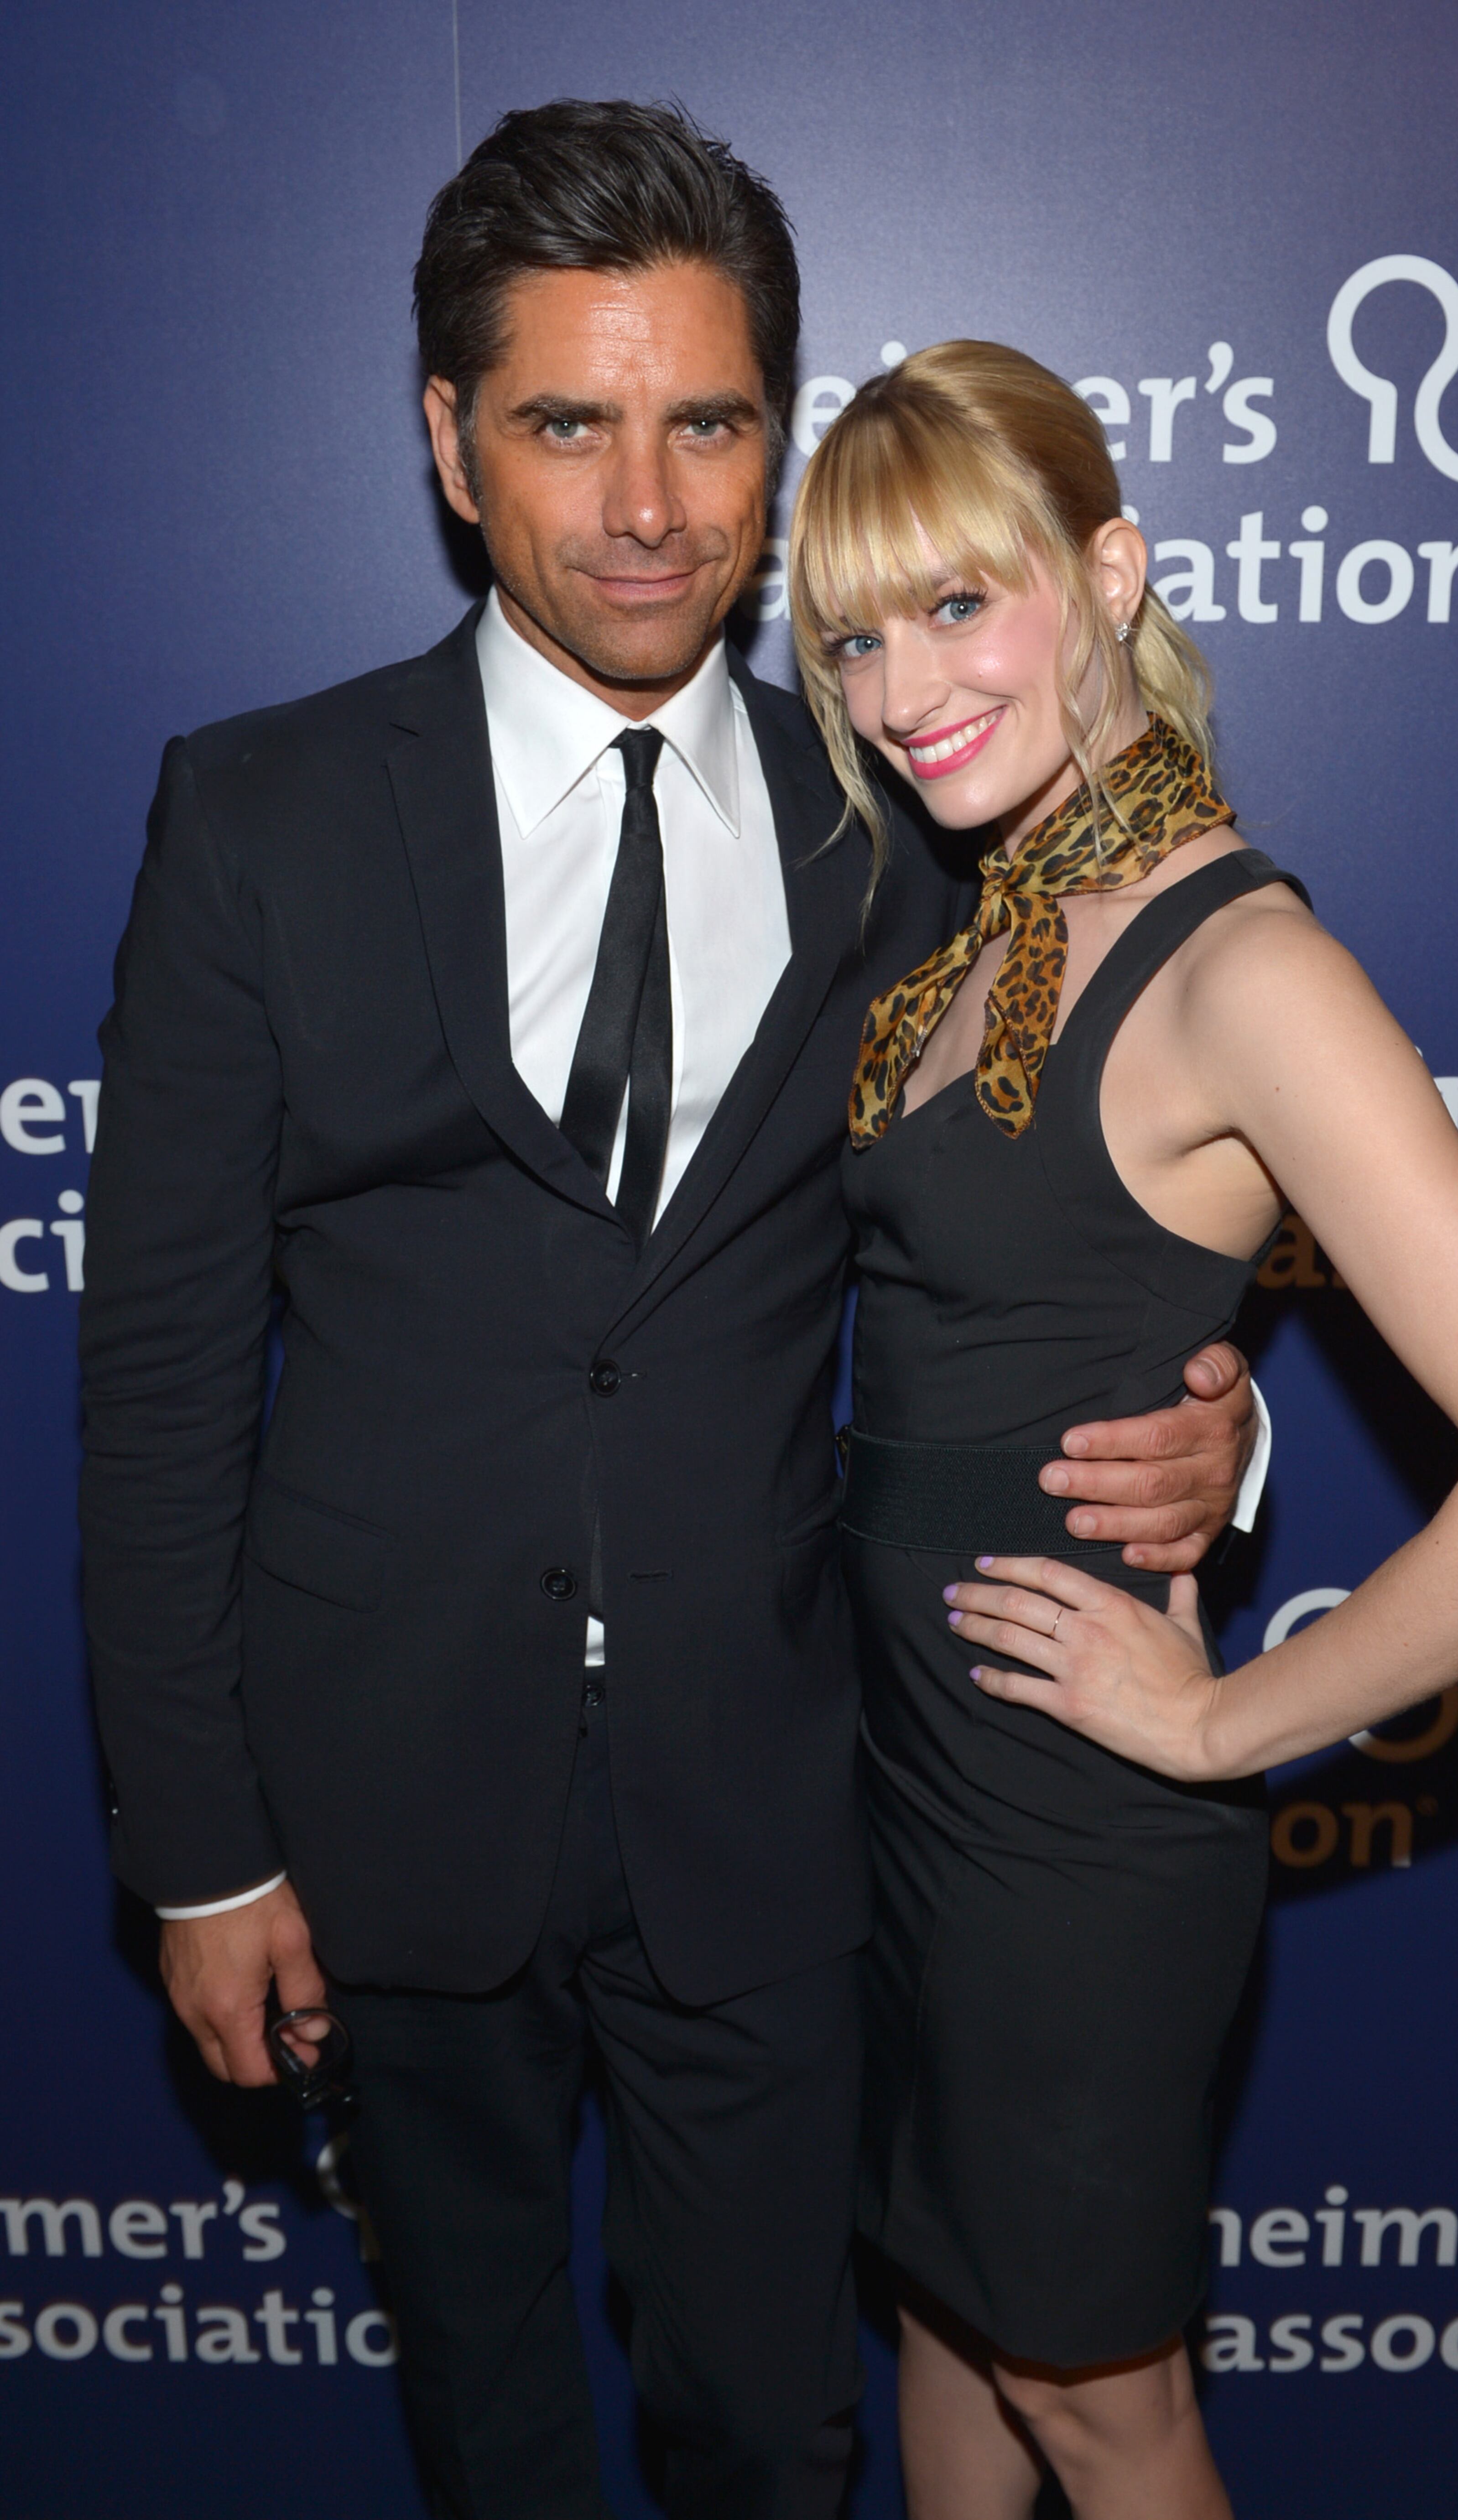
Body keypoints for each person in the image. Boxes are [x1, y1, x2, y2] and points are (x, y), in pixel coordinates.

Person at [77, 109, 1260, 2520]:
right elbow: (162, 1376)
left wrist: (1215, 1437)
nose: (645, 505)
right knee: (489, 2425)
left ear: (775, 441)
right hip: (381, 1789)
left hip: (774, 1791)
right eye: (565, 422)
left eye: (708, 422)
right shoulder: (262, 813)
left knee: (776, 2423)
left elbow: (1066, 1224)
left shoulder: (910, 823)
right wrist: (196, 1851)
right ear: (447, 440)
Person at [787, 340, 1458, 2520]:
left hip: (1070, 1840)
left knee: (1106, 2401)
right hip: (911, 1778)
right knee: (948, 2322)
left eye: (960, 607)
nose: (906, 693)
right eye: (856, 639)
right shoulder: (977, 914)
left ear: (1110, 576)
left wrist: (1224, 1726)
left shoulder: (1241, 967)